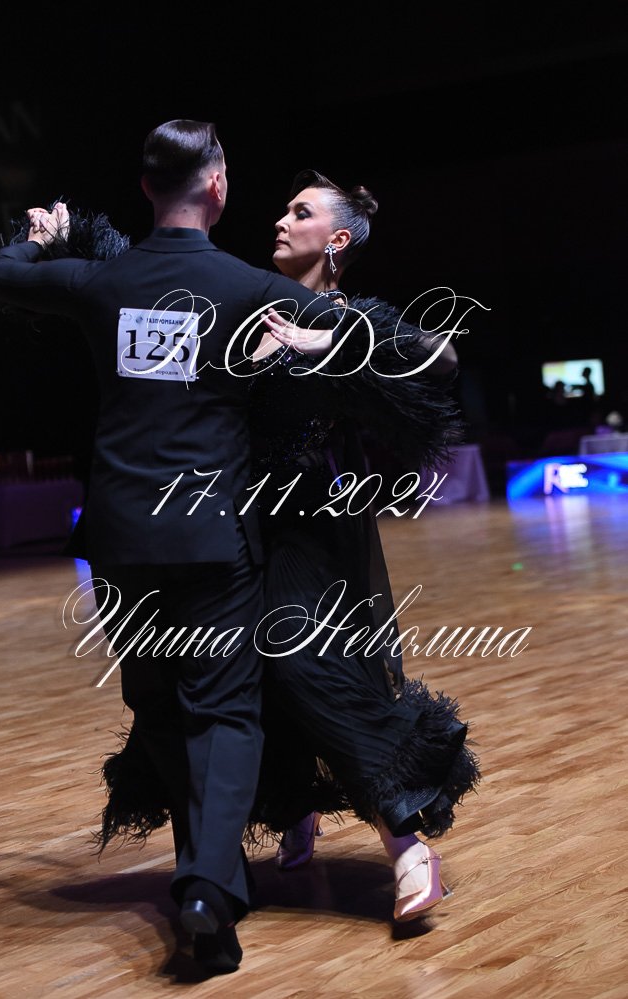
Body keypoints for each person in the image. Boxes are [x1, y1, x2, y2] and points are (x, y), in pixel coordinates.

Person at [0, 121, 338, 975]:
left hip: (119, 538)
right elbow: (360, 338)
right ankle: (207, 884)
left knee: (163, 708)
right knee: (226, 711)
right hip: (211, 536)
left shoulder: (103, 281)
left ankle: (209, 882)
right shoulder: (249, 287)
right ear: (217, 187)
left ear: (145, 189)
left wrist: (41, 235)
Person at [245, 170, 479, 921]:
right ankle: (298, 806)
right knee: (257, 672)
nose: (281, 220)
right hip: (243, 520)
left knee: (307, 662)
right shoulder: (251, 305)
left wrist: (333, 340)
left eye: (301, 212)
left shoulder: (353, 317)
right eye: (285, 209)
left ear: (337, 239)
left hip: (318, 525)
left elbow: (442, 359)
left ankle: (406, 842)